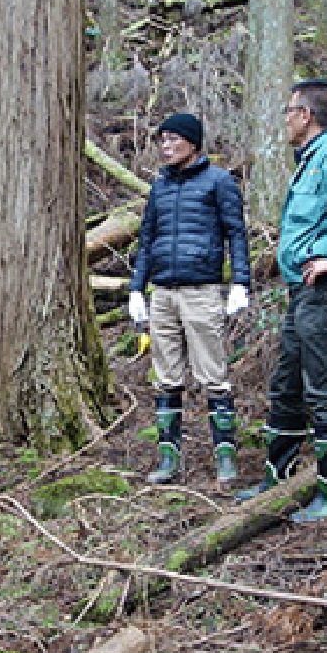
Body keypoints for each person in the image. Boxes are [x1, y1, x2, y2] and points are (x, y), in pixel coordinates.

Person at [239, 79, 327, 520]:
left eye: (288, 111)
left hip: (326, 291)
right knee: (287, 382)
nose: (284, 120)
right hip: (303, 292)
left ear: (305, 116)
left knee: (324, 388)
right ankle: (277, 480)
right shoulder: (310, 163)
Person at [127, 112, 251, 484]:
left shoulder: (219, 182)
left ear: (192, 142)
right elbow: (147, 239)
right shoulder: (160, 186)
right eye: (162, 140)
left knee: (213, 375)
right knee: (166, 378)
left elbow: (236, 234)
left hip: (202, 290)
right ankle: (169, 458)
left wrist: (240, 284)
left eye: (172, 139)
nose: (165, 146)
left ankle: (225, 458)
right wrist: (137, 288)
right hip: (163, 292)